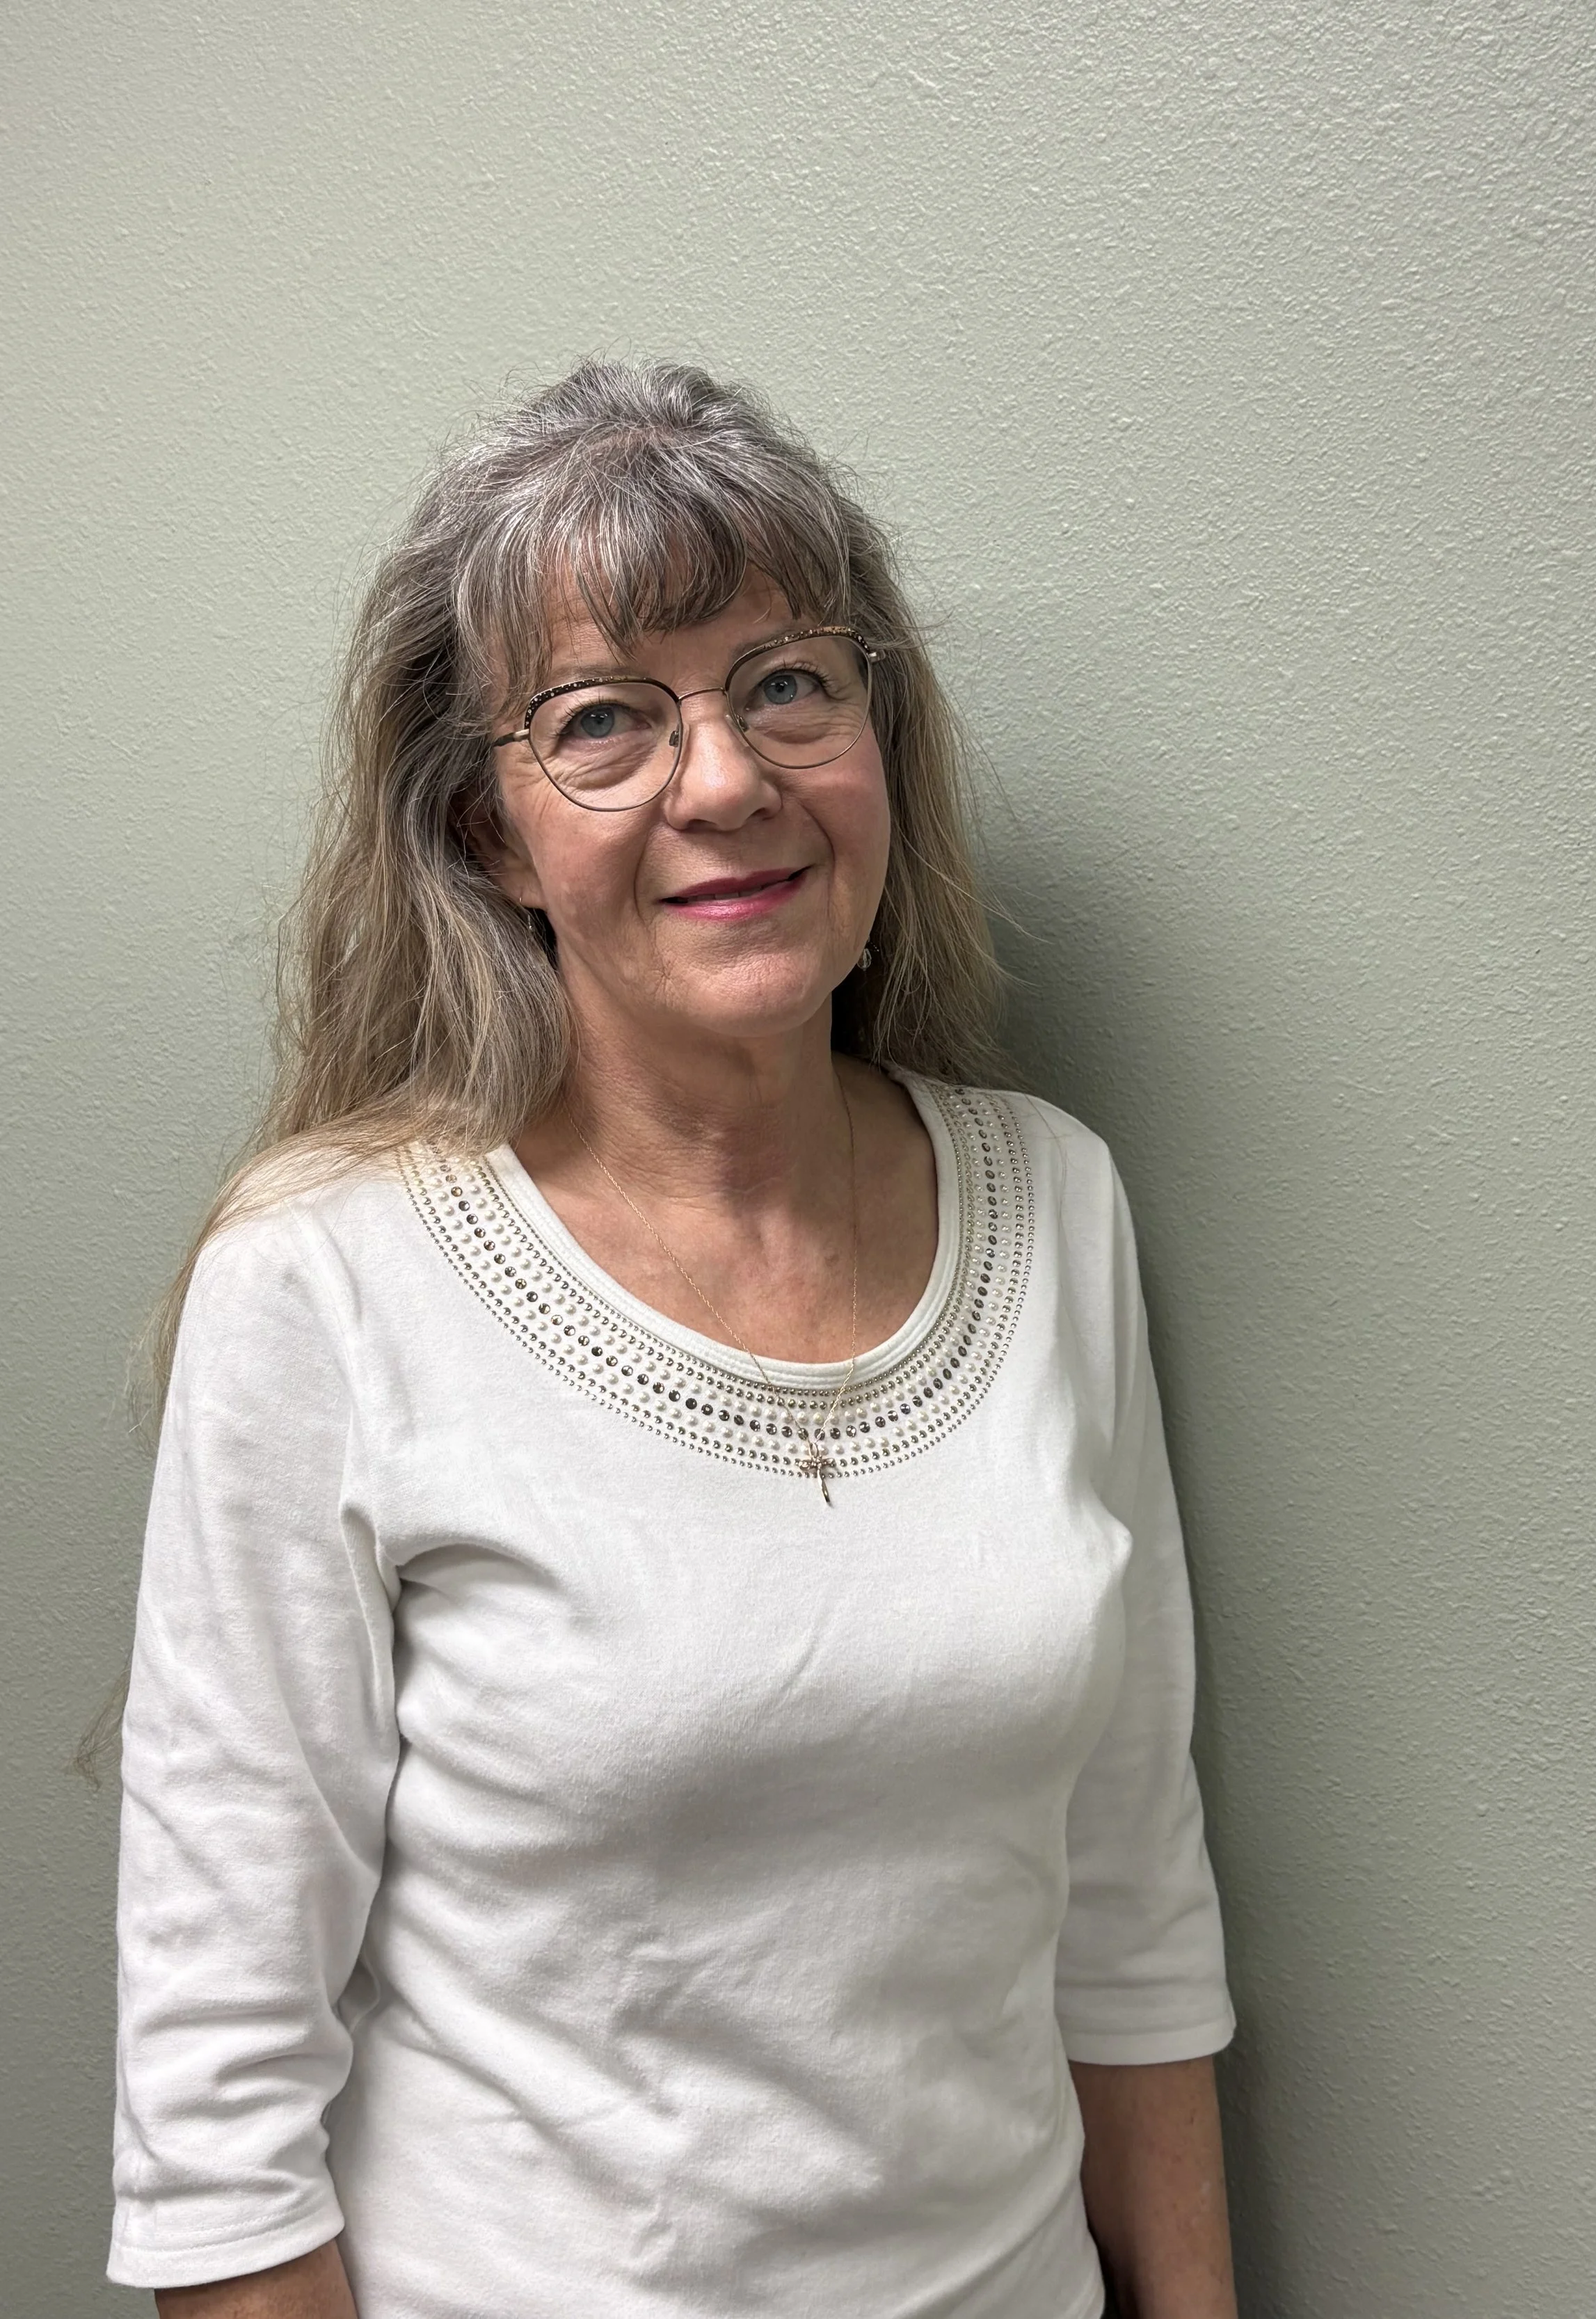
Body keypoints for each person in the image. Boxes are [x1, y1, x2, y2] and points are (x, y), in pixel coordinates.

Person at [109, 359, 1239, 2319]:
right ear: (485, 829)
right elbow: (217, 2121)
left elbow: (1131, 1919)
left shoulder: (1051, 1204)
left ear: (880, 738)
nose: (724, 781)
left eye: (786, 683)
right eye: (604, 721)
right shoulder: (327, 1280)